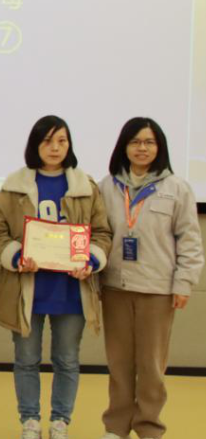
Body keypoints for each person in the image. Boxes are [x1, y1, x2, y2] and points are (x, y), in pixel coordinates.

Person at [0, 115, 113, 439]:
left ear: (69, 145)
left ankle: (60, 422)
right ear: (35, 145)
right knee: (26, 359)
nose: (55, 148)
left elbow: (102, 233)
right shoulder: (13, 187)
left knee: (67, 360)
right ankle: (30, 421)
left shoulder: (85, 187)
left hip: (71, 289)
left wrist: (90, 260)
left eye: (61, 141)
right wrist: (16, 256)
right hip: (27, 289)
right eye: (47, 141)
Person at [96, 118, 203, 439]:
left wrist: (184, 283)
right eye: (135, 142)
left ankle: (149, 426)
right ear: (124, 147)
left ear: (160, 147)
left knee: (152, 365)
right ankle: (116, 426)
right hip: (115, 288)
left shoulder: (177, 188)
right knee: (119, 363)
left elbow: (190, 241)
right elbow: (97, 234)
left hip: (158, 290)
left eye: (149, 142)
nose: (142, 148)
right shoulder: (107, 186)